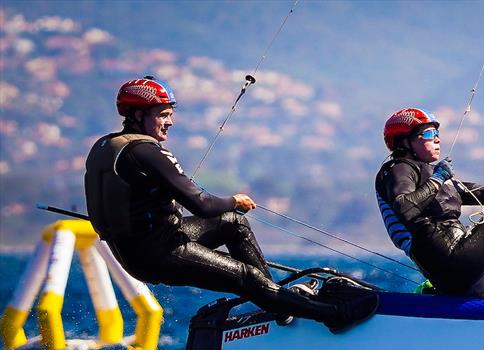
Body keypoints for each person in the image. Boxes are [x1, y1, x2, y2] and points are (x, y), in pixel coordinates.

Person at [85, 76, 377, 332]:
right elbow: (201, 204)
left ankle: (277, 301)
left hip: (141, 249)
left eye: (170, 114)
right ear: (137, 114)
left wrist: (229, 211)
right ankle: (333, 315)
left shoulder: (107, 146)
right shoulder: (144, 152)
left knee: (233, 223)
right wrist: (233, 200)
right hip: (162, 252)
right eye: (163, 114)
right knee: (246, 275)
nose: (170, 121)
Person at [376, 107, 484, 296]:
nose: (437, 139)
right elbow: (404, 207)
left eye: (437, 133)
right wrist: (437, 179)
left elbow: (477, 192)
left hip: (451, 269)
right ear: (405, 142)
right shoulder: (399, 169)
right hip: (452, 262)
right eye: (429, 133)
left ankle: (435, 291)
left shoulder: (428, 172)